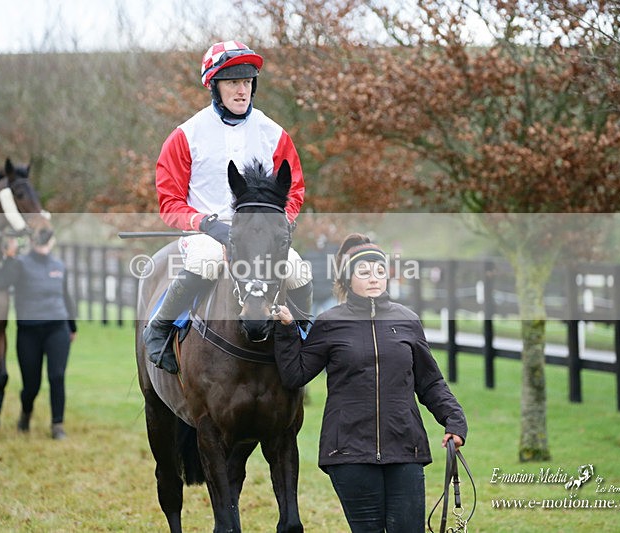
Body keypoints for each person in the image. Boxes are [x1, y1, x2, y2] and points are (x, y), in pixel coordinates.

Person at [272, 233, 468, 533]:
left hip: (405, 448)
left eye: (379, 271)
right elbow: (294, 375)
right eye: (363, 272)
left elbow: (430, 382)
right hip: (349, 451)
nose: (373, 278)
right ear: (348, 280)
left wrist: (454, 421)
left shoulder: (407, 320)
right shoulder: (329, 323)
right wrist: (286, 331)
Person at [145, 40, 313, 373]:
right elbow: (169, 202)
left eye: (247, 82)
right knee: (207, 260)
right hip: (207, 232)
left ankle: (307, 334)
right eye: (233, 82)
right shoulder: (185, 135)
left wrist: (280, 224)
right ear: (214, 86)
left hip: (261, 231)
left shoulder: (274, 134)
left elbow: (293, 192)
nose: (242, 90)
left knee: (296, 269)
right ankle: (159, 328)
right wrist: (206, 224)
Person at [0, 237, 77, 440]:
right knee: (31, 384)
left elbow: (66, 296)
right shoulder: (20, 264)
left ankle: (57, 425)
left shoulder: (59, 265)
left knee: (57, 376)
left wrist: (72, 326)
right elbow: (2, 282)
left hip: (57, 328)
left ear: (52, 241)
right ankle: (25, 413)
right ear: (32, 241)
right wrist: (9, 257)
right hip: (29, 331)